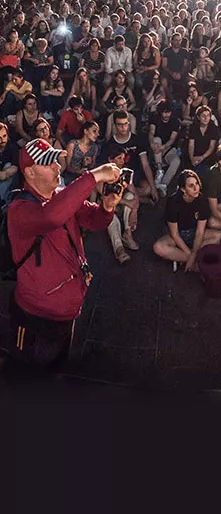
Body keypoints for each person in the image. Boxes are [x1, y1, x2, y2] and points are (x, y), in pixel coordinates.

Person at [6, 139, 122, 371]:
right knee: (28, 379)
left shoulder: (60, 195)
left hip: (66, 314)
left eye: (56, 161)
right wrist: (94, 176)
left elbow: (93, 219)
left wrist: (107, 208)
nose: (58, 167)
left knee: (56, 373)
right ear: (29, 172)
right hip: (36, 317)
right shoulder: (18, 210)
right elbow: (50, 217)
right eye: (48, 164)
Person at [152, 169, 221, 269]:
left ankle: (183, 258)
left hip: (194, 233)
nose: (195, 188)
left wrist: (193, 254)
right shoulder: (173, 202)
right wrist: (190, 255)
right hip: (177, 235)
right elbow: (174, 234)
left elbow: (200, 232)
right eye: (191, 186)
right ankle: (195, 260)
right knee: (158, 247)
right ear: (183, 189)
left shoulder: (202, 200)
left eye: (196, 183)